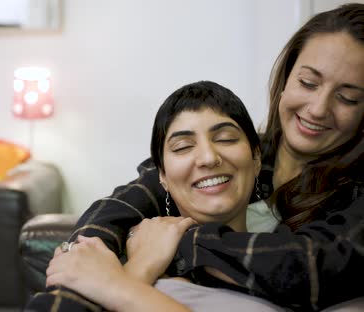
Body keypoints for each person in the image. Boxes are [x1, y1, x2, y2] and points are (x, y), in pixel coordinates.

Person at [26, 3, 364, 311]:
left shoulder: (352, 194)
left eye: (348, 98)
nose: (318, 109)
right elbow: (119, 209)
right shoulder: (243, 155)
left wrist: (177, 243)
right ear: (286, 79)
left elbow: (309, 269)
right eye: (308, 82)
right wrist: (83, 260)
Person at [41, 80, 293, 312]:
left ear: (257, 158)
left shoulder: (293, 247)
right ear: (162, 175)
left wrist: (126, 280)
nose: (208, 158)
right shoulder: (126, 252)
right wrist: (139, 267)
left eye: (226, 139)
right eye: (183, 147)